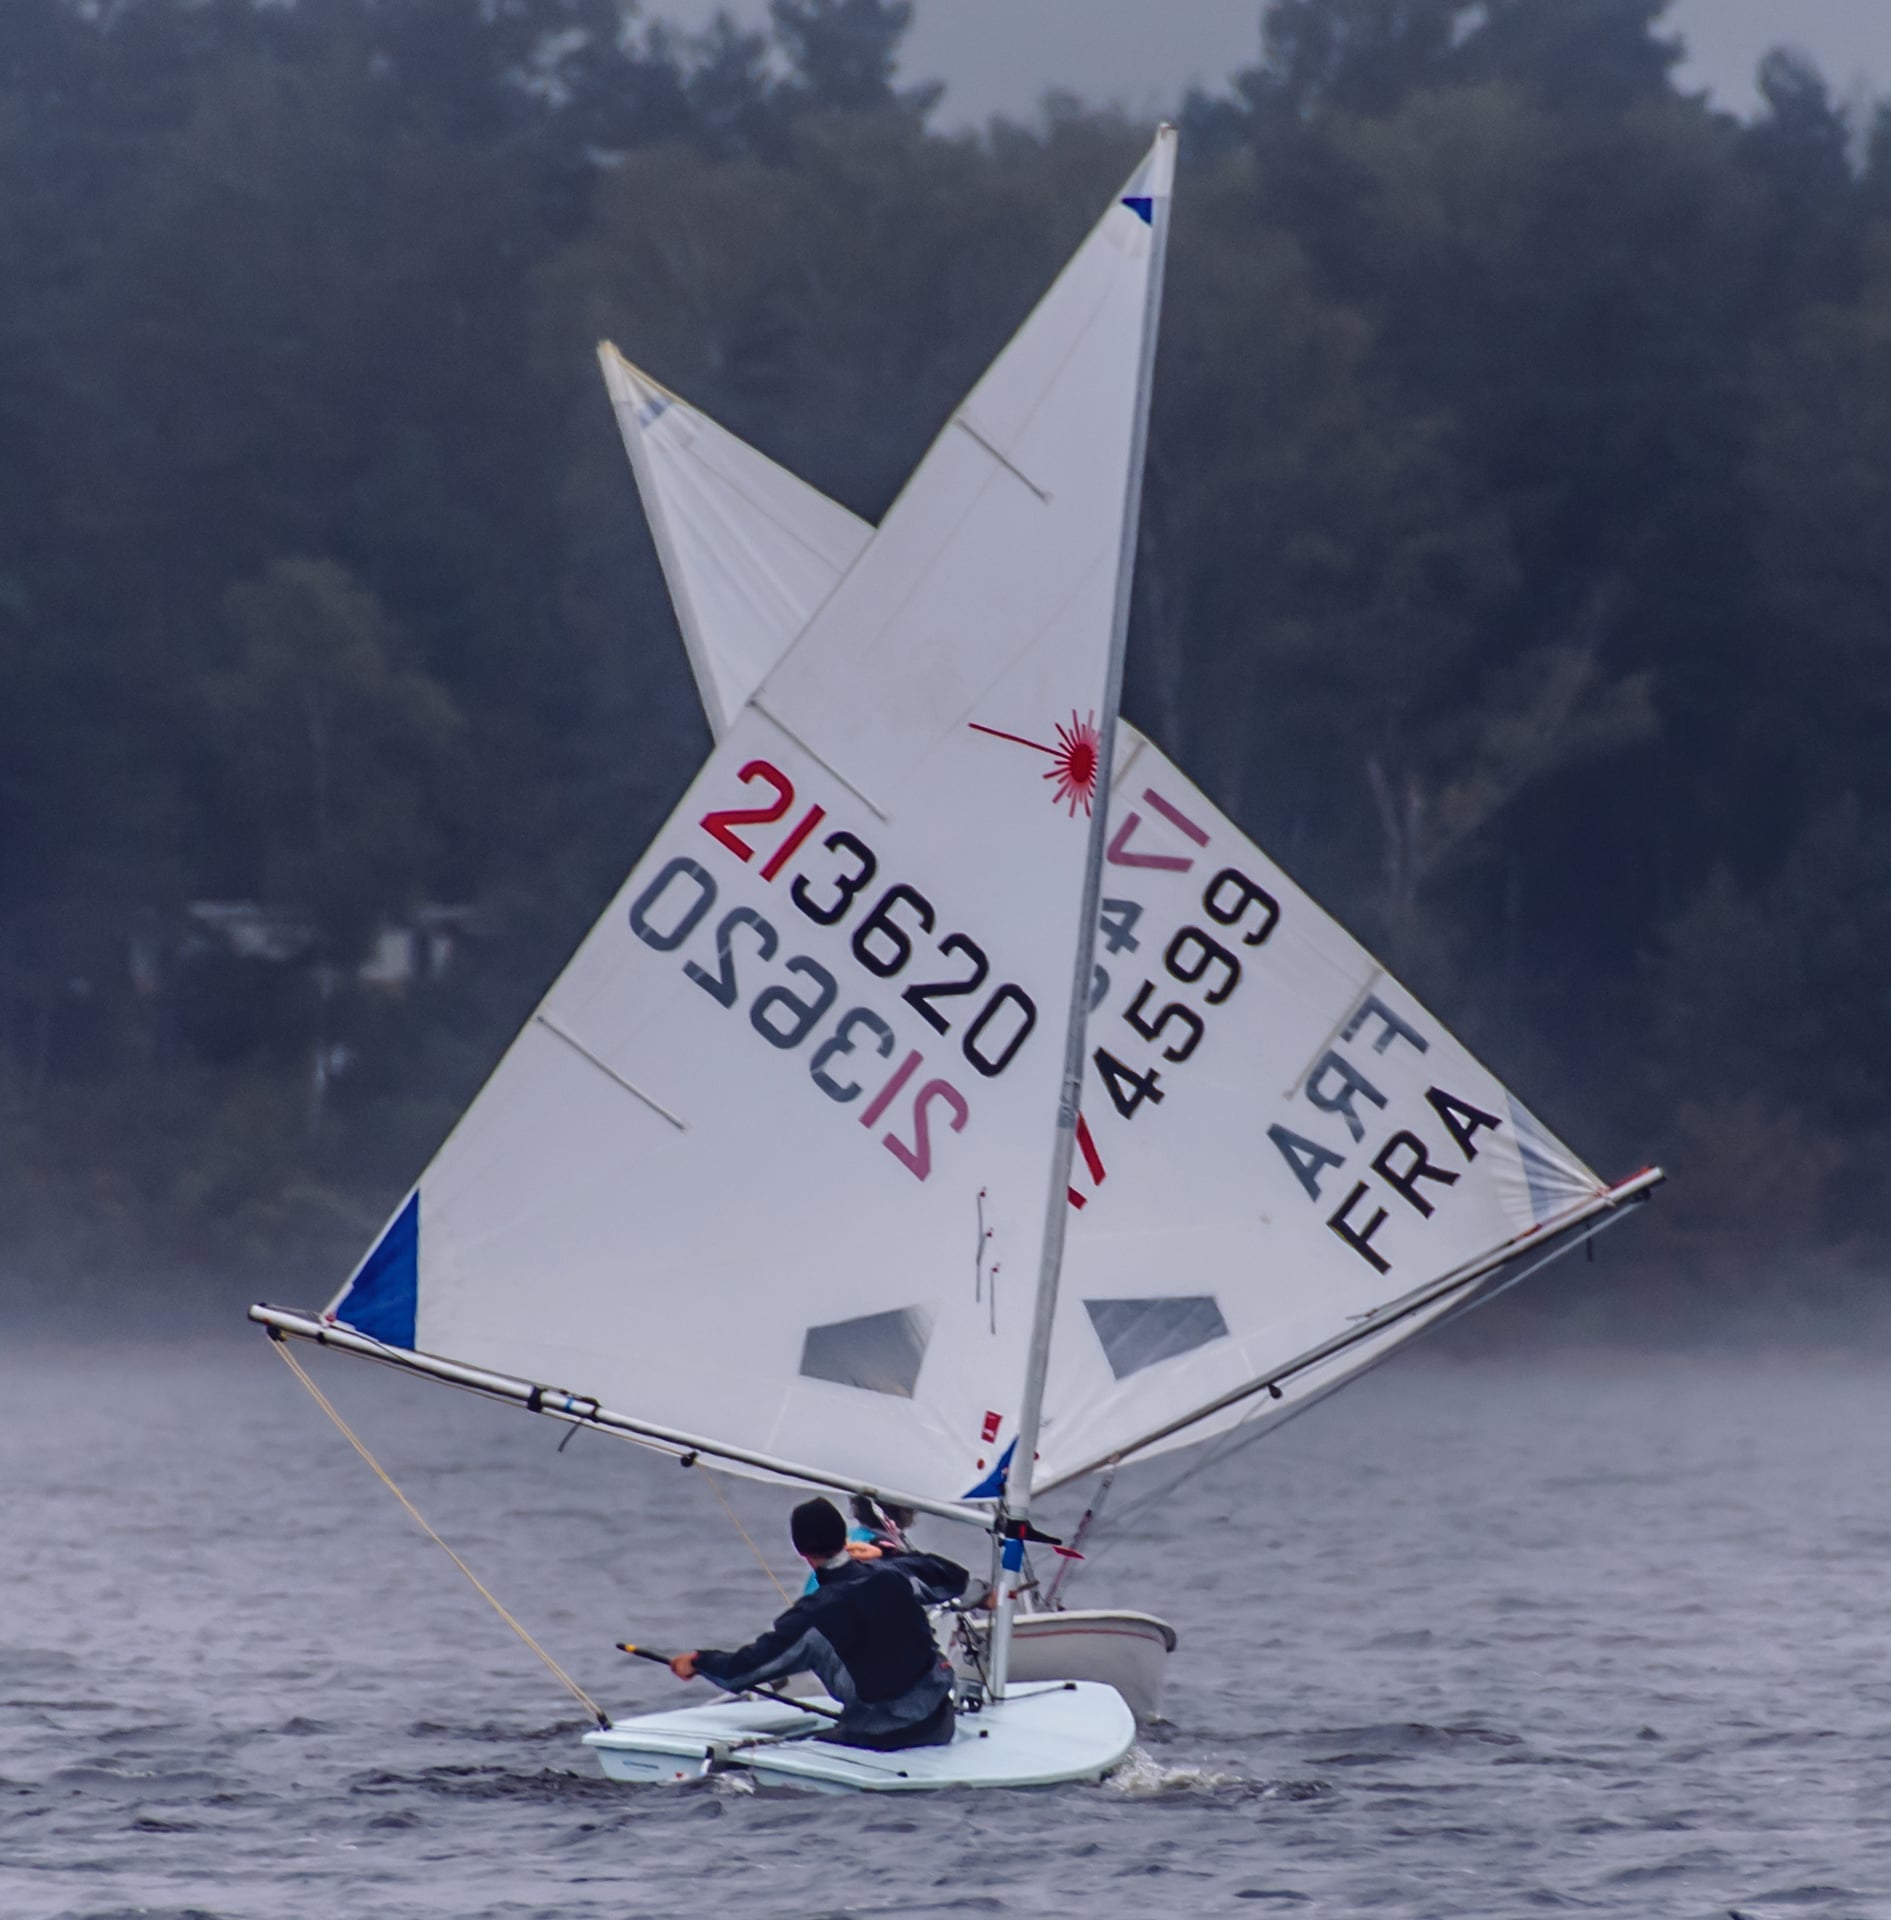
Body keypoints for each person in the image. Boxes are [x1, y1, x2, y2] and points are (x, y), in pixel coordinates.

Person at [668, 1496, 957, 1751]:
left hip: (886, 1738)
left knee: (817, 1658)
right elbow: (954, 1578)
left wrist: (699, 1661)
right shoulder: (894, 1573)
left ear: (801, 1551)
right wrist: (888, 1554)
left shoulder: (812, 1615)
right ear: (845, 1536)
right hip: (941, 1722)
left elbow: (741, 1672)